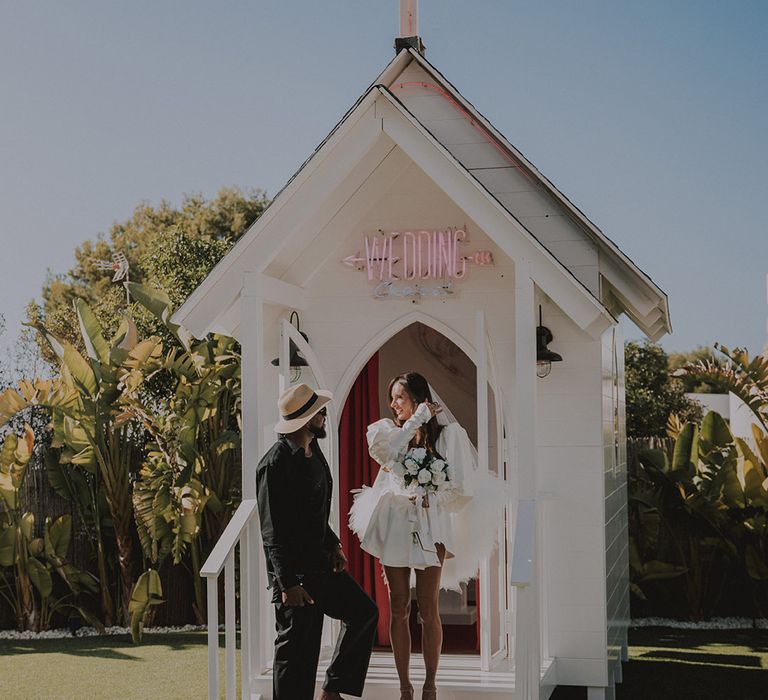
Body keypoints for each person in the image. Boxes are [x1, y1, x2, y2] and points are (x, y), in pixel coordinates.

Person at [349, 371, 505, 700]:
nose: (393, 404)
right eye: (392, 398)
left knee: (429, 608)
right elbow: (387, 454)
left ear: (417, 398)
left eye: (400, 397)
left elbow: (459, 485)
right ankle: (404, 686)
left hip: (431, 525)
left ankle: (430, 683)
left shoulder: (450, 435)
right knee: (400, 605)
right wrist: (415, 420)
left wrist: (431, 489)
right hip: (395, 525)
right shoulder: (386, 431)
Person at [256, 383, 378, 700]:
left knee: (363, 612)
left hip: (321, 565)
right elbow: (273, 531)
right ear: (306, 419)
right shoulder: (275, 463)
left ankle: (333, 690)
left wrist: (333, 544)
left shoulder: (314, 452)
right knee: (297, 654)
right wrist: (287, 583)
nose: (324, 416)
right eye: (319, 412)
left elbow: (315, 513)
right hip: (296, 577)